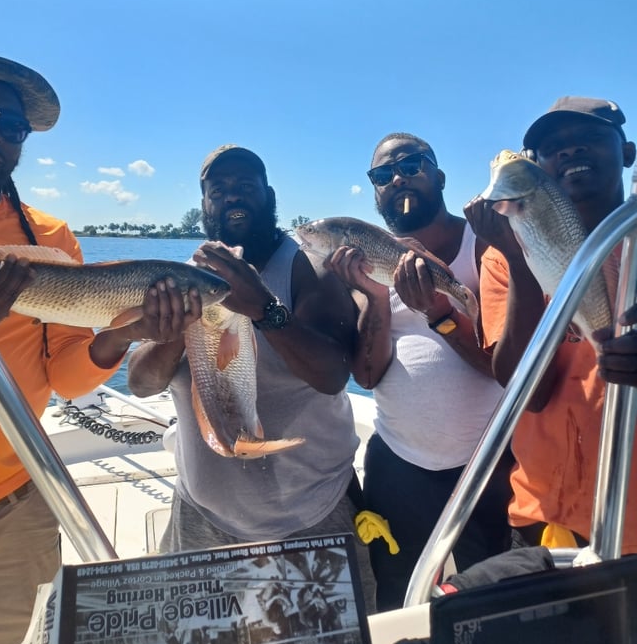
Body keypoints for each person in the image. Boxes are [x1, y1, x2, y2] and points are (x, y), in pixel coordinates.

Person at [0, 56, 179, 644]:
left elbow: (67, 378)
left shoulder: (48, 237)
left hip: (17, 502)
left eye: (11, 125)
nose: (0, 134)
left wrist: (121, 333)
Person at [127, 144, 376, 612]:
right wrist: (176, 327)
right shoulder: (185, 275)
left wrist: (262, 308)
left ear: (269, 195)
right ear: (204, 205)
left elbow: (332, 375)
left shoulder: (308, 267)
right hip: (203, 517)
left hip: (312, 516)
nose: (232, 196)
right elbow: (141, 384)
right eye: (217, 190)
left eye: (246, 186)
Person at [327, 132, 513, 611]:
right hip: (400, 464)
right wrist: (371, 295)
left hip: (486, 464)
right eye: (383, 175)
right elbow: (367, 376)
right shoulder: (366, 256)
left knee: (491, 597)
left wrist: (439, 312)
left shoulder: (485, 246)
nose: (397, 180)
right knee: (397, 597)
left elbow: (505, 369)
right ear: (374, 192)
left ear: (440, 176)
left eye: (412, 166)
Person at [464, 96, 637, 551]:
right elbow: (527, 394)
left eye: (590, 139)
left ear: (628, 153)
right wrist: (521, 264)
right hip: (541, 520)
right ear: (538, 166)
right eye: (553, 148)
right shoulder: (502, 258)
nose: (570, 151)